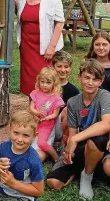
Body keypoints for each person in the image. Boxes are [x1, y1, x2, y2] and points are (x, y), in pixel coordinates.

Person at [47, 59, 110, 199]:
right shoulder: (73, 102)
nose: (90, 82)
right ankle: (80, 169)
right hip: (82, 148)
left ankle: (87, 177)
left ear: (101, 81)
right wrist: (70, 150)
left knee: (96, 140)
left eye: (95, 79)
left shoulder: (104, 96)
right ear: (79, 77)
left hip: (101, 147)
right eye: (87, 77)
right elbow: (72, 132)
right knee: (53, 182)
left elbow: (106, 124)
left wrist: (74, 139)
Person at [16, 0, 64, 96]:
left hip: (45, 47)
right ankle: (32, 109)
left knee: (46, 81)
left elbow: (59, 22)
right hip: (27, 45)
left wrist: (52, 46)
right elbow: (22, 16)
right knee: (29, 82)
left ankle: (47, 112)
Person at [0, 111, 44, 201]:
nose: (20, 139)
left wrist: (13, 183)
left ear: (34, 136)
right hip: (3, 192)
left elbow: (39, 191)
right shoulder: (4, 147)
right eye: (16, 133)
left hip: (23, 197)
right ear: (10, 129)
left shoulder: (33, 159)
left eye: (26, 135)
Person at [30, 67, 65, 162]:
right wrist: (36, 113)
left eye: (48, 82)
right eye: (42, 82)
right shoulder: (36, 93)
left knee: (41, 143)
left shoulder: (56, 98)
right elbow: (31, 108)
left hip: (46, 125)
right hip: (34, 122)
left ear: (54, 83)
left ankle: (55, 157)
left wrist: (46, 118)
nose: (44, 85)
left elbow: (55, 114)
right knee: (24, 136)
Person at [52, 51, 79, 144]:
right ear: (53, 67)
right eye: (59, 66)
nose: (63, 70)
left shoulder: (74, 91)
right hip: (45, 123)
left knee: (69, 110)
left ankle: (61, 145)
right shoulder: (46, 86)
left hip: (62, 127)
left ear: (70, 68)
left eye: (66, 66)